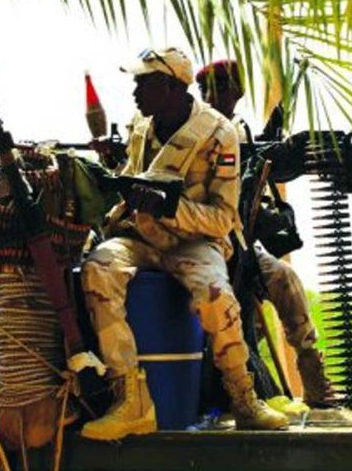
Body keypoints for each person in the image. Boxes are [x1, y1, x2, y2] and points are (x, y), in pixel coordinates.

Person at [80, 47, 288, 441]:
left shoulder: (218, 133)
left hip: (193, 243)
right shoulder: (140, 125)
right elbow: (132, 175)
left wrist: (167, 207)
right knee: (98, 268)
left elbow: (222, 218)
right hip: (141, 237)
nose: (135, 91)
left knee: (216, 295)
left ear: (173, 86)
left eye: (144, 83)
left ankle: (244, 399)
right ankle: (130, 399)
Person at [196, 59, 337, 408]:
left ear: (237, 91)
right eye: (206, 89)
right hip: (204, 241)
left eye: (221, 87)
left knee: (284, 279)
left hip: (240, 240)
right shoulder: (196, 131)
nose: (212, 96)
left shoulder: (239, 131)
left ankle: (311, 371)